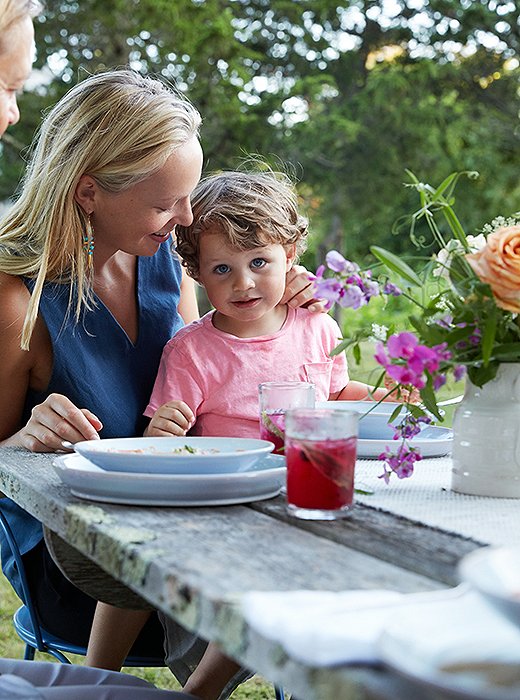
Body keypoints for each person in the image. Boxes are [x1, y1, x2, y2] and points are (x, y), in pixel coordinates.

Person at [0, 57, 323, 695]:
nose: (184, 222)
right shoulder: (17, 298)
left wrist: (275, 315)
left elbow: (209, 376)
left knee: (321, 538)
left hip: (198, 526)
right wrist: (21, 439)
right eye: (164, 203)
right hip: (86, 564)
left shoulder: (166, 270)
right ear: (89, 191)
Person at [88, 168, 394, 700]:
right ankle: (144, 684)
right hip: (226, 506)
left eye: (259, 263)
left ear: (292, 254)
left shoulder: (316, 326)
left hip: (302, 495)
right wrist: (163, 430)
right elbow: (166, 439)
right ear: (197, 274)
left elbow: (335, 395)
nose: (244, 283)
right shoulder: (192, 350)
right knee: (167, 557)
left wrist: (387, 397)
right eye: (222, 269)